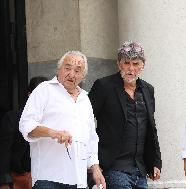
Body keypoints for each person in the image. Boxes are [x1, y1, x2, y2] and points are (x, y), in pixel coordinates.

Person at [19, 51, 105, 189]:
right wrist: (53, 133)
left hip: (78, 179)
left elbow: (91, 138)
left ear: (83, 76)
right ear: (58, 69)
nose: (72, 74)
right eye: (67, 68)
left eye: (78, 70)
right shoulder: (44, 90)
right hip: (48, 177)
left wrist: (95, 168)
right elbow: (26, 124)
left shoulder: (85, 99)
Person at [88, 41, 162, 189]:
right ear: (119, 64)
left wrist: (155, 161)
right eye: (126, 63)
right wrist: (94, 163)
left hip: (140, 170)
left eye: (135, 64)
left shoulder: (148, 90)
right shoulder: (103, 86)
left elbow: (151, 128)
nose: (131, 68)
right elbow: (85, 124)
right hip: (113, 167)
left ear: (143, 65)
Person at [0, 76, 48, 189]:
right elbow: (4, 152)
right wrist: (4, 182)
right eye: (38, 94)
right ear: (29, 94)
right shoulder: (12, 118)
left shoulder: (54, 120)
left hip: (47, 176)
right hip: (20, 176)